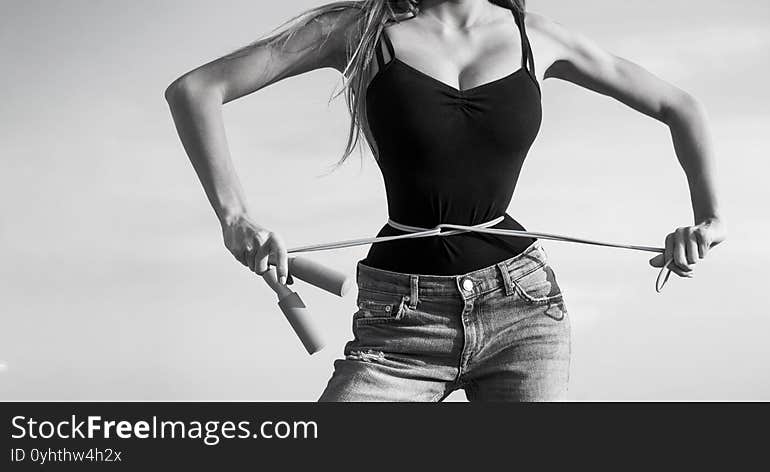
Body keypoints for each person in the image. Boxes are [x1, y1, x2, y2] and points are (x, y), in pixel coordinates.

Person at [165, 0, 726, 401]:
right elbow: (196, 89)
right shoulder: (361, 30)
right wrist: (233, 216)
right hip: (400, 320)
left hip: (522, 310)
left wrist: (708, 220)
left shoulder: (538, 36)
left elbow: (681, 107)